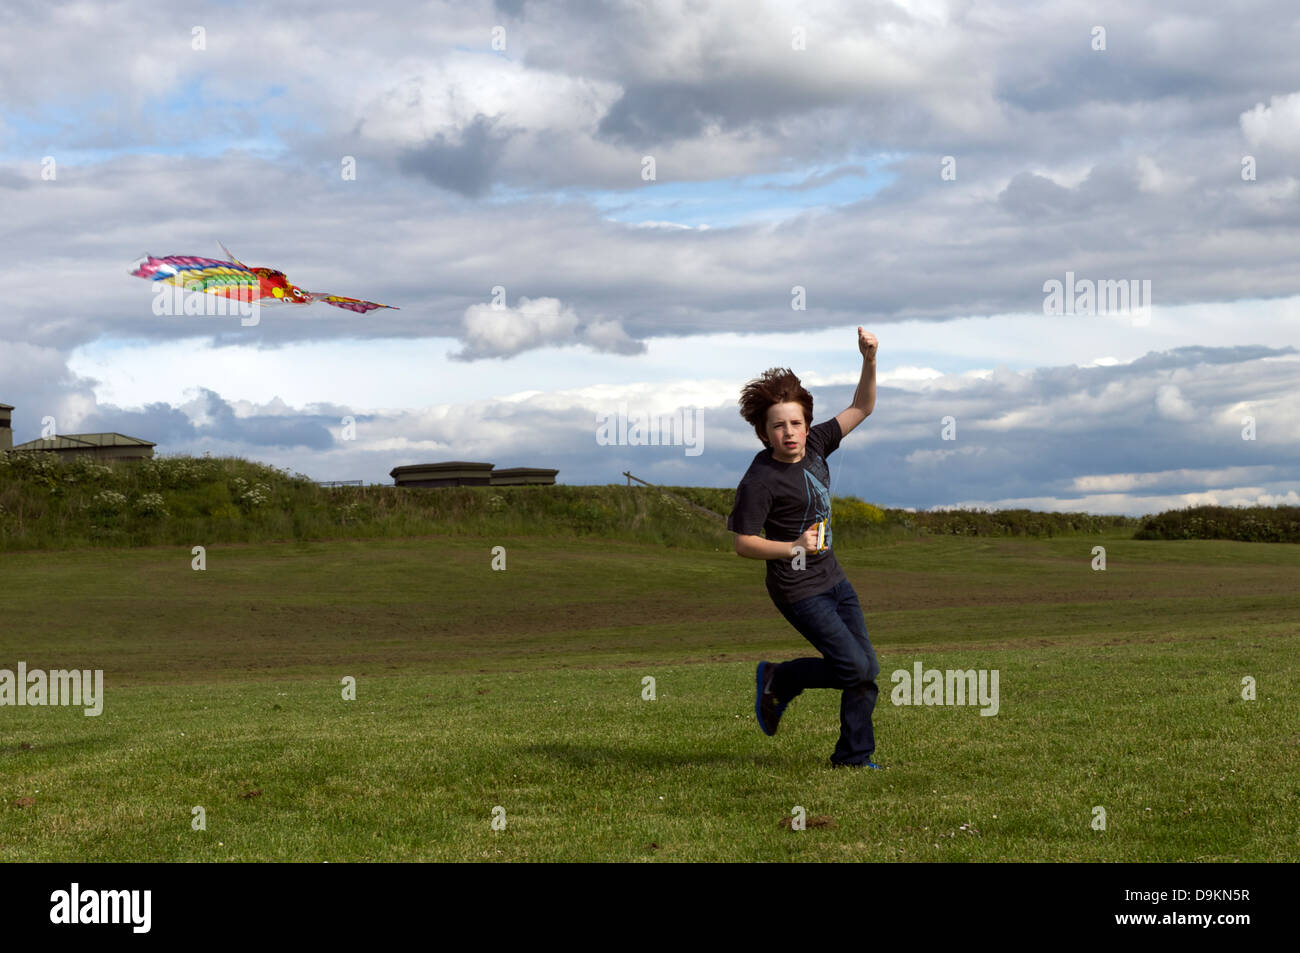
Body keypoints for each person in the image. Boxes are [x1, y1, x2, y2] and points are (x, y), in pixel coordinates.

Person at [726, 327, 883, 768]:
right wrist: (793, 545)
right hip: (798, 589)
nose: (789, 433)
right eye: (779, 426)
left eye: (796, 423)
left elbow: (862, 407)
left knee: (864, 669)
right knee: (856, 667)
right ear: (764, 432)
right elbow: (744, 543)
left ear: (807, 425)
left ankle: (853, 758)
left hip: (834, 579)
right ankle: (783, 677)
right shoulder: (759, 481)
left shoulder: (816, 445)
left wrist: (869, 359)